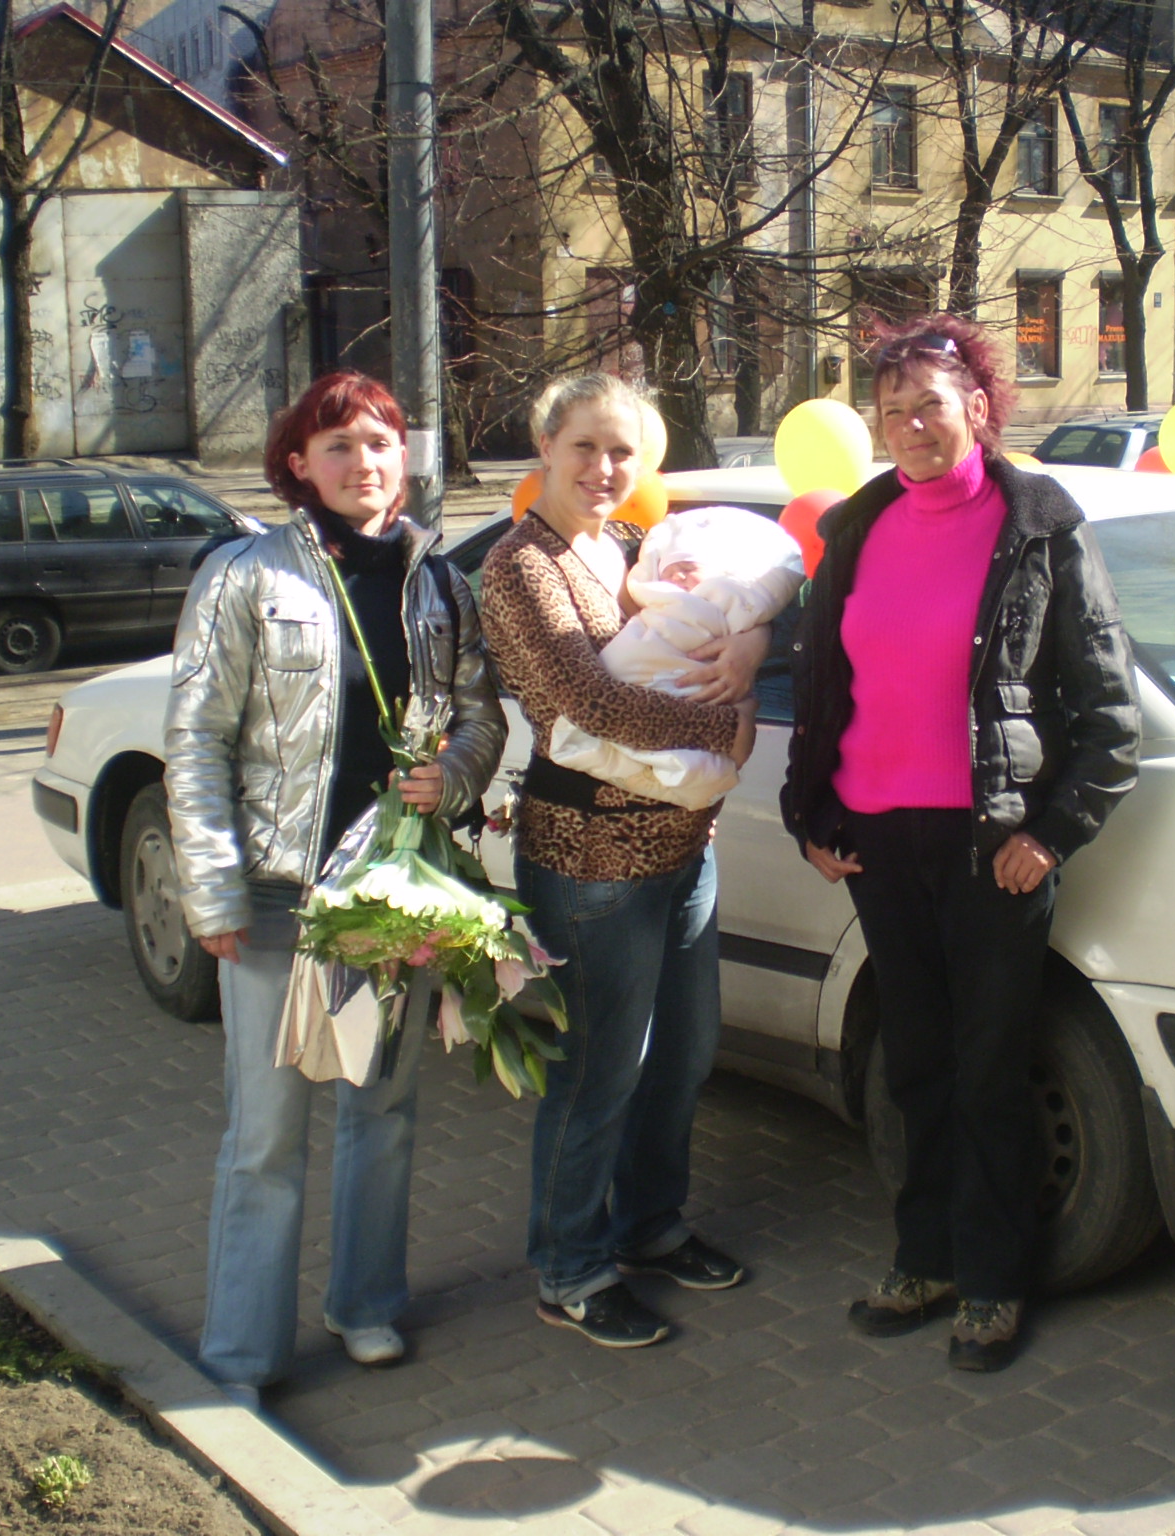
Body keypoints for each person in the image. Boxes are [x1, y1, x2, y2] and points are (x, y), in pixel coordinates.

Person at [780, 315, 1140, 1373]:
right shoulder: (857, 527)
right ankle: (924, 1259)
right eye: (891, 410)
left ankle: (991, 1280)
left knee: (987, 1070)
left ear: (976, 408)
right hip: (879, 841)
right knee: (916, 1064)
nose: (910, 425)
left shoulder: (1038, 526)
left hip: (991, 846)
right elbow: (822, 685)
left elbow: (1109, 715)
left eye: (929, 405)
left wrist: (1052, 835)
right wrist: (812, 813)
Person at [166, 370, 505, 1405]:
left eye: (381, 443)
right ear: (298, 464)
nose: (364, 463)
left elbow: (481, 715)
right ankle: (242, 1354)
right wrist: (212, 894)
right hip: (278, 897)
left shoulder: (438, 583)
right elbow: (195, 741)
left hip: (391, 892)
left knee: (382, 1111)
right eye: (340, 445)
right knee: (266, 1138)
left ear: (406, 457)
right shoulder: (245, 575)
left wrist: (453, 774)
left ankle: (364, 1305)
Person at [480, 374, 764, 1349]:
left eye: (623, 452)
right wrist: (726, 728)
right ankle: (570, 1265)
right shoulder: (522, 567)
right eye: (586, 447)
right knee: (601, 1070)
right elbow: (589, 705)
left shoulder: (636, 547)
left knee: (682, 1054)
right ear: (546, 448)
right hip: (589, 857)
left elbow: (728, 615)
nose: (605, 468)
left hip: (683, 846)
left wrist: (751, 649)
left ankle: (650, 1225)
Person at [547, 505, 804, 809]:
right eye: (669, 571)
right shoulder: (542, 564)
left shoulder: (626, 542)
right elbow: (591, 705)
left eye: (689, 567)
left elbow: (759, 605)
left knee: (695, 772)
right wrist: (734, 726)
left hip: (673, 821)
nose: (678, 576)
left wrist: (758, 635)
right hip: (600, 810)